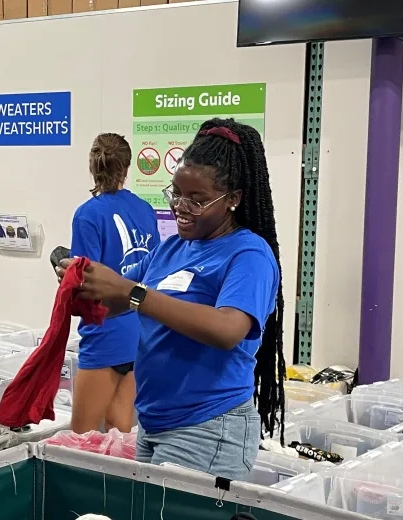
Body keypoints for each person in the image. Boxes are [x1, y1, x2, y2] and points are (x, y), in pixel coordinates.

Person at [56, 118, 284, 480]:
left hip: (207, 428)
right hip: (153, 422)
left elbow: (228, 329)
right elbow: (116, 299)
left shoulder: (248, 255)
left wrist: (131, 293)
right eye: (176, 193)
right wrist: (84, 285)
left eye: (198, 200)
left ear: (234, 199)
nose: (181, 206)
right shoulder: (173, 248)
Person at [68, 133, 159, 434]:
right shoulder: (145, 210)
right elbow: (153, 269)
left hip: (105, 335)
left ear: (92, 166)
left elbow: (86, 284)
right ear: (127, 166)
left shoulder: (87, 215)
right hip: (139, 333)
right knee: (119, 433)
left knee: (81, 437)